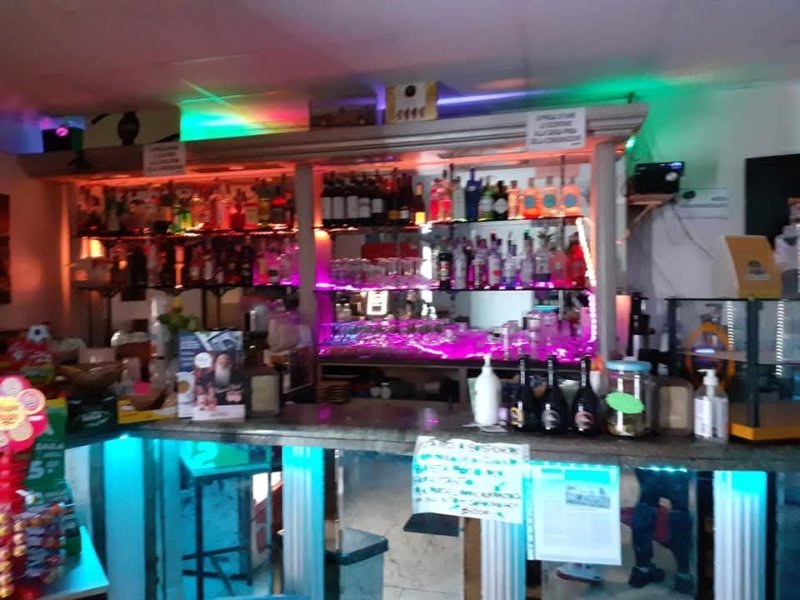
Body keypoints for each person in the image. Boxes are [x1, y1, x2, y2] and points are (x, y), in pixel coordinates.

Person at [629, 468, 693, 594]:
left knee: (645, 505)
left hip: (649, 462)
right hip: (679, 464)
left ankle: (642, 569)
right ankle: (683, 575)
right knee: (680, 513)